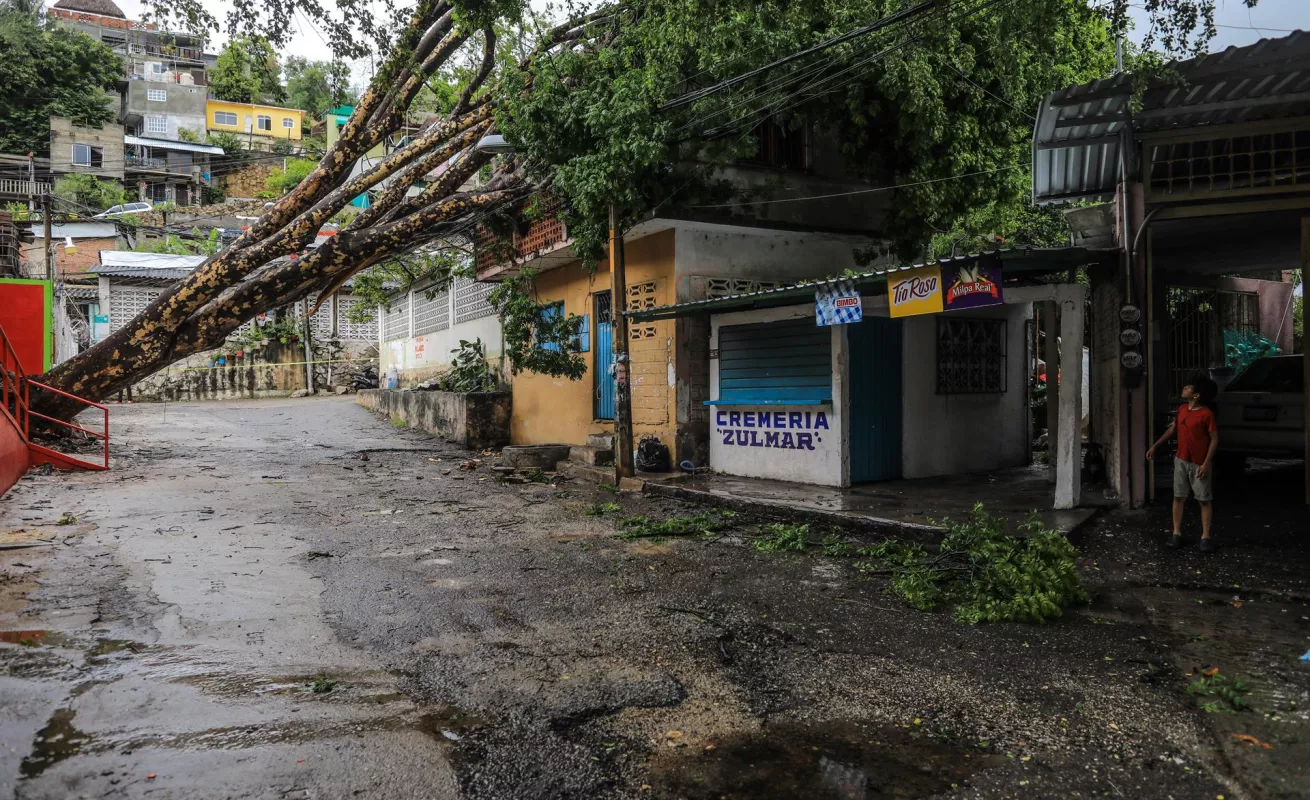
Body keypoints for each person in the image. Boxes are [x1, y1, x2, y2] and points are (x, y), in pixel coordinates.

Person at [1146, 374, 1220, 552]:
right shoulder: (1181, 409)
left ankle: (1205, 537)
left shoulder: (1206, 414)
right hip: (1181, 459)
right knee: (1178, 496)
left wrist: (1206, 463)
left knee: (1203, 499)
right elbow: (1172, 429)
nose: (1184, 388)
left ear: (1197, 395)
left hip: (1199, 463)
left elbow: (1214, 440)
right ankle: (1176, 533)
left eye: (1188, 387)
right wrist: (1155, 446)